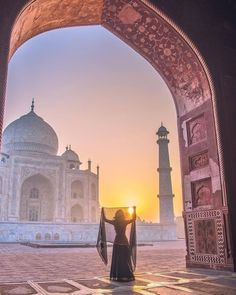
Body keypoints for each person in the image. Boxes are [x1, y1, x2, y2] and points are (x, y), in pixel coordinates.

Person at [96, 207, 136, 282]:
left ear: (116, 215)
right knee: (125, 260)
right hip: (124, 242)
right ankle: (126, 275)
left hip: (117, 242)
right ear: (122, 215)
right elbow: (134, 219)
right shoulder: (124, 221)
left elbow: (105, 219)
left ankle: (119, 276)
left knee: (117, 260)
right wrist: (134, 210)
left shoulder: (115, 222)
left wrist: (103, 212)